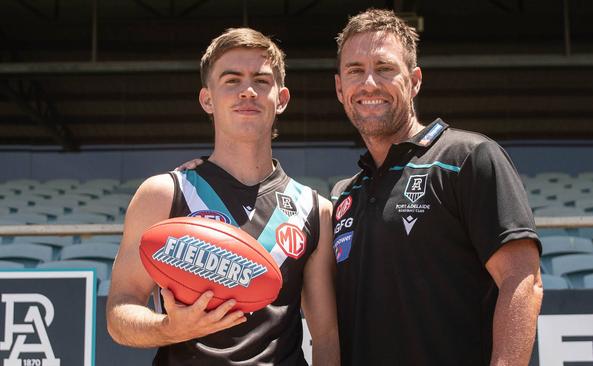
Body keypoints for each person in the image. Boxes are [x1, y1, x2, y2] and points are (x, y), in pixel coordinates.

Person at [106, 28, 340, 366]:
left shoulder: (313, 210)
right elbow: (118, 314)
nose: (248, 91)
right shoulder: (164, 194)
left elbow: (326, 335)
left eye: (261, 81)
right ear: (207, 100)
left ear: (282, 98)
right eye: (231, 80)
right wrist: (168, 328)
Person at [329, 9, 543, 366]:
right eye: (355, 70)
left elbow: (523, 280)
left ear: (414, 81)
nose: (368, 83)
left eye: (384, 68)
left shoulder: (467, 158)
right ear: (339, 89)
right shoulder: (343, 195)